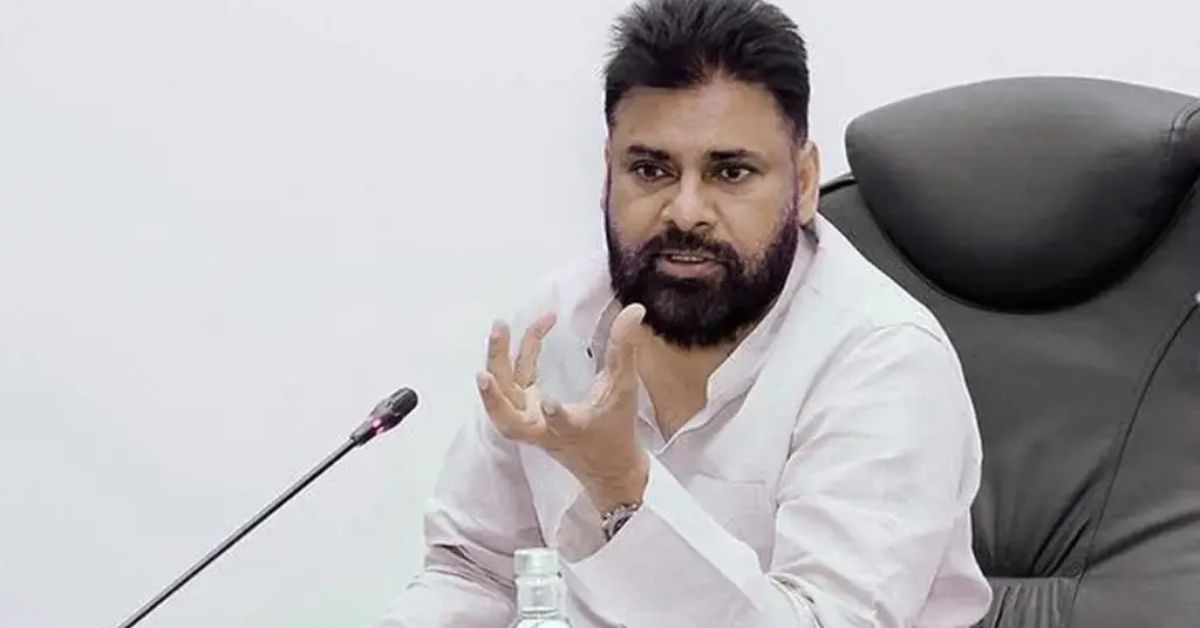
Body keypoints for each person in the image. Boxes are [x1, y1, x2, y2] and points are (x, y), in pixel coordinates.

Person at [380, 0, 992, 626]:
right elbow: (474, 571)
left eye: (731, 172)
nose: (686, 211)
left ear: (805, 182)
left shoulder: (884, 361)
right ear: (608, 174)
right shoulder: (554, 325)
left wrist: (622, 485)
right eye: (651, 170)